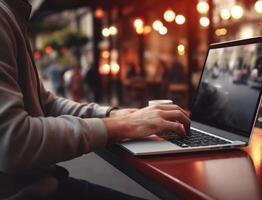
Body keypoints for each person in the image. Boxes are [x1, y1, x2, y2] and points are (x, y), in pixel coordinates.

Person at [0, 0, 190, 199]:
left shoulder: (12, 12)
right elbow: (12, 144)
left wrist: (111, 114)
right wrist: (120, 125)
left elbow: (46, 104)